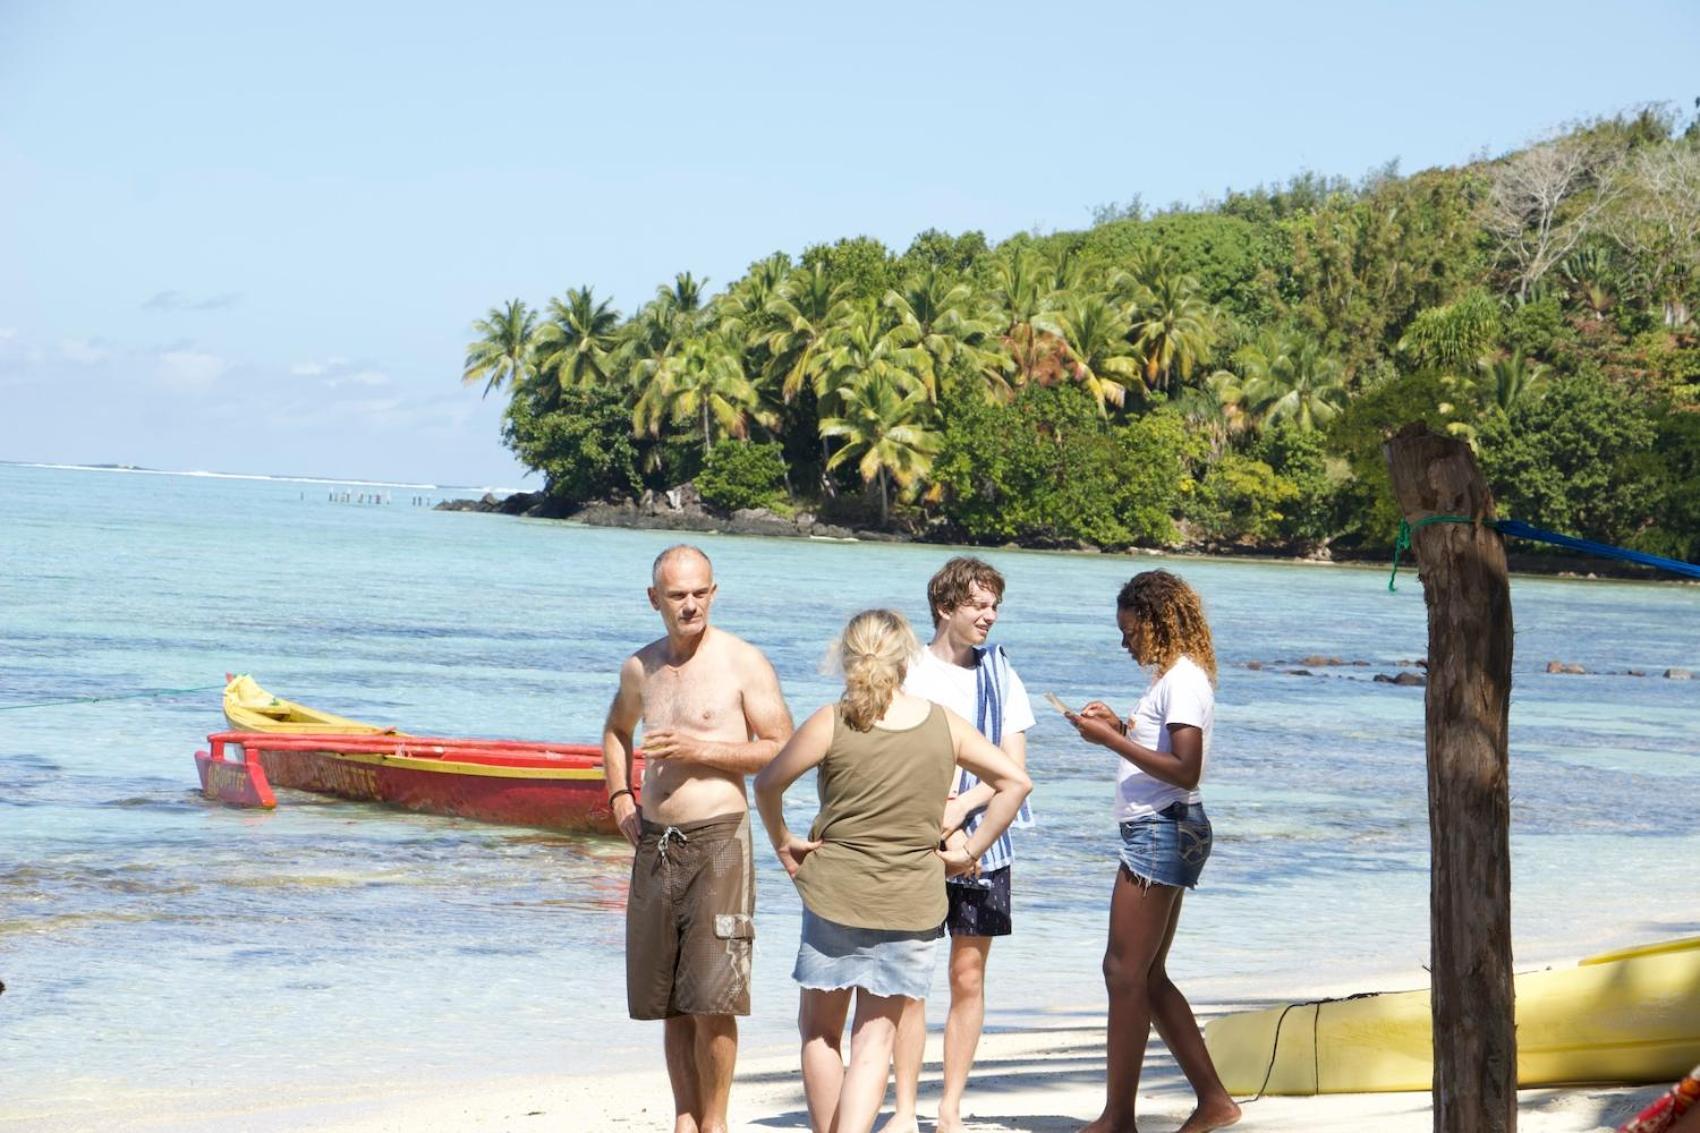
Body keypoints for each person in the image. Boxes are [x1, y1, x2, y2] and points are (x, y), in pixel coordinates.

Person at [754, 609, 1031, 1133]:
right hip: (914, 899)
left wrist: (783, 842)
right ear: (908, 659)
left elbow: (767, 784)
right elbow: (1015, 781)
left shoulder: (832, 720)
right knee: (875, 1036)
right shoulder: (942, 723)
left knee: (819, 1033)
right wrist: (971, 847)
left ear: (847, 658)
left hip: (836, 892)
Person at [602, 544, 795, 1133]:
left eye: (699, 593)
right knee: (670, 999)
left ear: (713, 592)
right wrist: (619, 798)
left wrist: (699, 750)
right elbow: (615, 730)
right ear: (654, 599)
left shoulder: (743, 662)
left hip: (719, 840)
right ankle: (685, 1118)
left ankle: (716, 1123)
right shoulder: (641, 668)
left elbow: (780, 746)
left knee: (714, 997)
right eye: (678, 595)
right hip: (655, 842)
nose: (690, 605)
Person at [1065, 570, 1240, 1133]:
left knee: (1122, 971)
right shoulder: (1173, 680)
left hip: (1163, 830)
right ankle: (1215, 1101)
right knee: (1147, 975)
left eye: (1129, 630)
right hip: (1165, 828)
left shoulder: (1183, 681)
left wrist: (1109, 740)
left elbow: (1186, 767)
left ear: (1156, 622)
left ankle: (1118, 1119)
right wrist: (1121, 726)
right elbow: (1165, 749)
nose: (1125, 642)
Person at [884, 556, 1034, 1133]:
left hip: (984, 841)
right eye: (977, 605)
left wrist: (964, 812)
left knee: (967, 975)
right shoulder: (906, 670)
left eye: (994, 605)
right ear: (945, 608)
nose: (989, 616)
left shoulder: (1001, 673)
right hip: (913, 841)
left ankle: (949, 1107)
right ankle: (902, 1109)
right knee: (909, 974)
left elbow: (1012, 771)